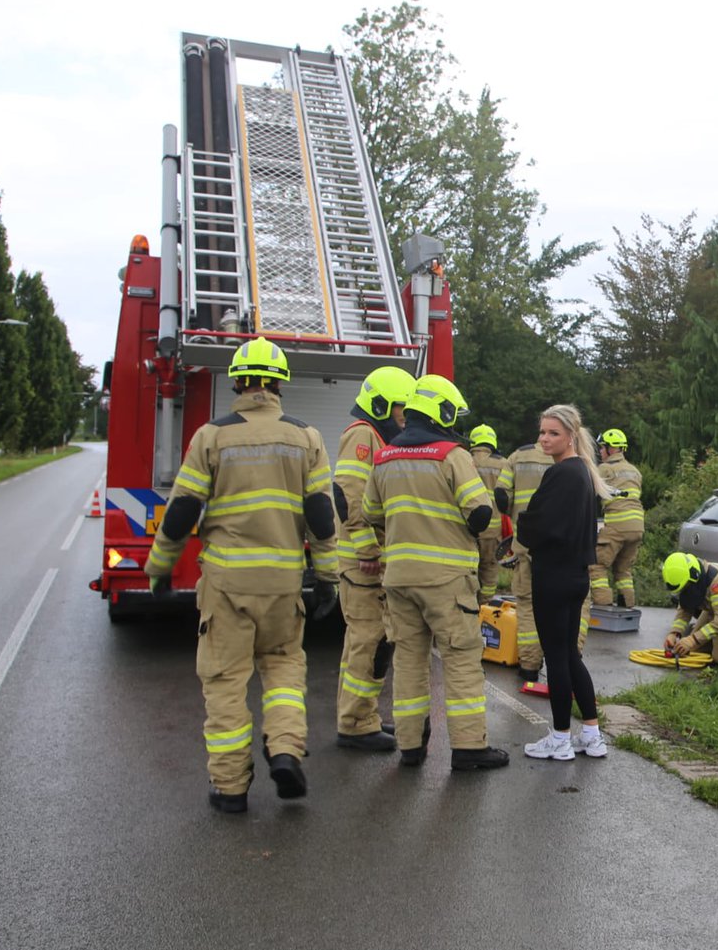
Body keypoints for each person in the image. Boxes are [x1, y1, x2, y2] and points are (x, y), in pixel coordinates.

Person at [145, 337, 338, 814]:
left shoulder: (212, 436)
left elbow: (182, 510)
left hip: (227, 586)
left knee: (226, 682)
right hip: (283, 584)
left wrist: (160, 567)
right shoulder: (306, 437)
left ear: (237, 382)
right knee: (285, 670)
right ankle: (286, 750)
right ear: (280, 384)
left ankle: (230, 788)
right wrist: (328, 577)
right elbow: (321, 515)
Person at [361, 374, 506, 772]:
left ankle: (410, 745)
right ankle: (469, 747)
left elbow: (370, 513)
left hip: (399, 578)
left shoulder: (384, 457)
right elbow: (480, 513)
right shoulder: (451, 455)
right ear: (442, 412)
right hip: (446, 579)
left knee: (409, 660)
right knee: (461, 657)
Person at [518, 404, 610, 760]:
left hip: (553, 576)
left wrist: (524, 525)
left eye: (553, 433)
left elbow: (538, 524)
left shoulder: (561, 474)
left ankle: (559, 738)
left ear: (570, 436)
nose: (544, 438)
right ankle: (591, 733)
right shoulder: (584, 471)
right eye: (542, 432)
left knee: (556, 658)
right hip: (576, 576)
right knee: (570, 655)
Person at [331, 365, 416, 752]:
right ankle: (355, 724)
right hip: (362, 562)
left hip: (371, 560)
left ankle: (361, 715)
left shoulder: (376, 434)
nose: (405, 417)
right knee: (369, 641)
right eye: (401, 408)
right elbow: (348, 493)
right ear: (382, 405)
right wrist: (367, 548)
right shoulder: (363, 435)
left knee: (366, 641)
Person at [494, 440, 555, 681]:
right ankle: (571, 662)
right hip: (563, 545)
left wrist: (514, 514)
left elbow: (501, 495)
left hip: (528, 542)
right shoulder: (572, 455)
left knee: (528, 605)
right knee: (570, 606)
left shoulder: (517, 456)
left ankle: (529, 666)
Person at [590, 428, 644, 608]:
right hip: (637, 527)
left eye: (602, 447)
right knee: (623, 569)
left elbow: (590, 492)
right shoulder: (634, 471)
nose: (600, 451)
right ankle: (627, 605)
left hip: (617, 525)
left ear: (611, 448)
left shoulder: (604, 469)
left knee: (597, 565)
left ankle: (603, 606)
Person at [662, 552, 718, 665]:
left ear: (694, 575)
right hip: (713, 608)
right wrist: (675, 633)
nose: (684, 591)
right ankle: (715, 642)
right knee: (690, 650)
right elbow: (685, 608)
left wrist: (693, 639)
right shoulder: (689, 580)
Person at [467, 424, 508, 607]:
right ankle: (486, 606)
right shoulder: (503, 463)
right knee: (489, 568)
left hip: (466, 528)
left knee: (467, 570)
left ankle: (468, 605)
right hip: (492, 530)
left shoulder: (463, 459)